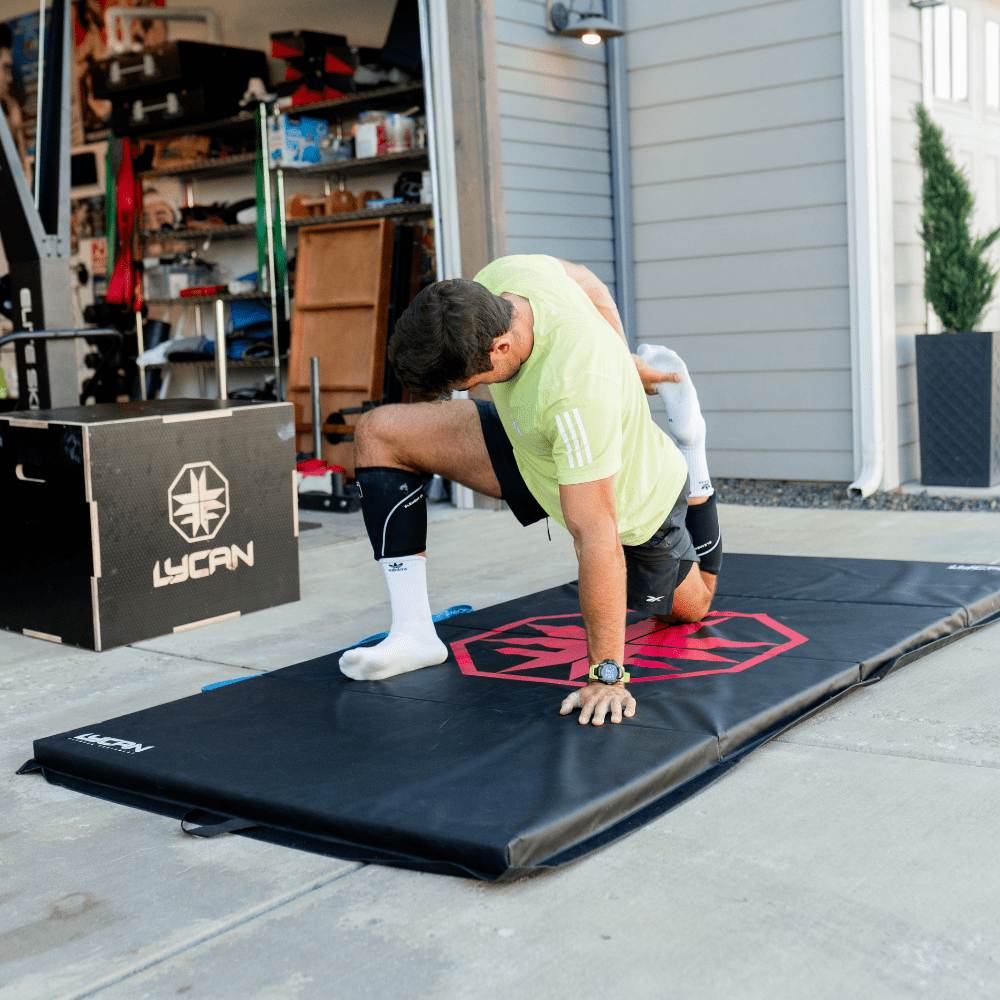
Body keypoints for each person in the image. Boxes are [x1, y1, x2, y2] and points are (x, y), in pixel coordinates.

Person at [339, 254, 723, 727]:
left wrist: (606, 676)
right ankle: (413, 631)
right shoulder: (502, 279)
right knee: (380, 431)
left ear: (501, 346)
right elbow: (586, 279)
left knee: (691, 608)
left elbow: (596, 536)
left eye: (468, 382)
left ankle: (692, 445)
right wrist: (625, 358)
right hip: (530, 443)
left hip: (630, 503)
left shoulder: (574, 388)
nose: (466, 389)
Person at [0, 23, 29, 180]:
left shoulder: (10, 110)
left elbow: (23, 174)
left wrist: (17, 132)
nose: (10, 78)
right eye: (5, 68)